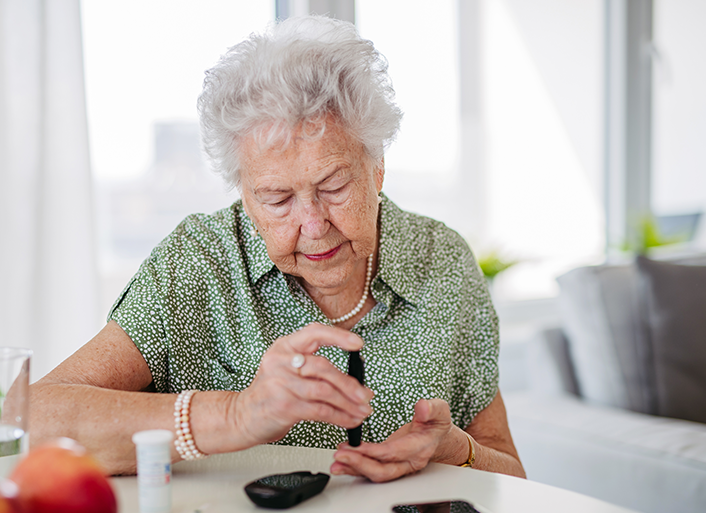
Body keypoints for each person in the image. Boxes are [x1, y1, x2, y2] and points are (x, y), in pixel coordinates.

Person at [30, 15, 525, 482]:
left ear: (377, 167)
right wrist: (236, 414)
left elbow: (514, 476)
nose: (313, 224)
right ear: (244, 196)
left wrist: (454, 450)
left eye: (333, 186)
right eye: (277, 198)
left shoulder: (442, 260)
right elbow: (32, 419)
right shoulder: (197, 265)